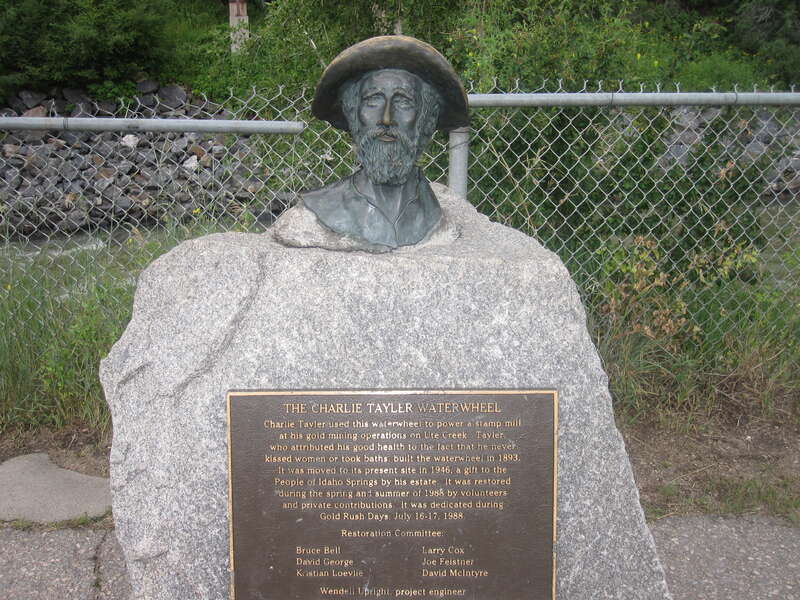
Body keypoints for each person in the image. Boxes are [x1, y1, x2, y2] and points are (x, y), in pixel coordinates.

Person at [273, 35, 469, 251]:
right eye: (373, 100)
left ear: (427, 119)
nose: (386, 119)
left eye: (403, 101)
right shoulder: (321, 209)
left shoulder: (433, 214)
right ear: (352, 115)